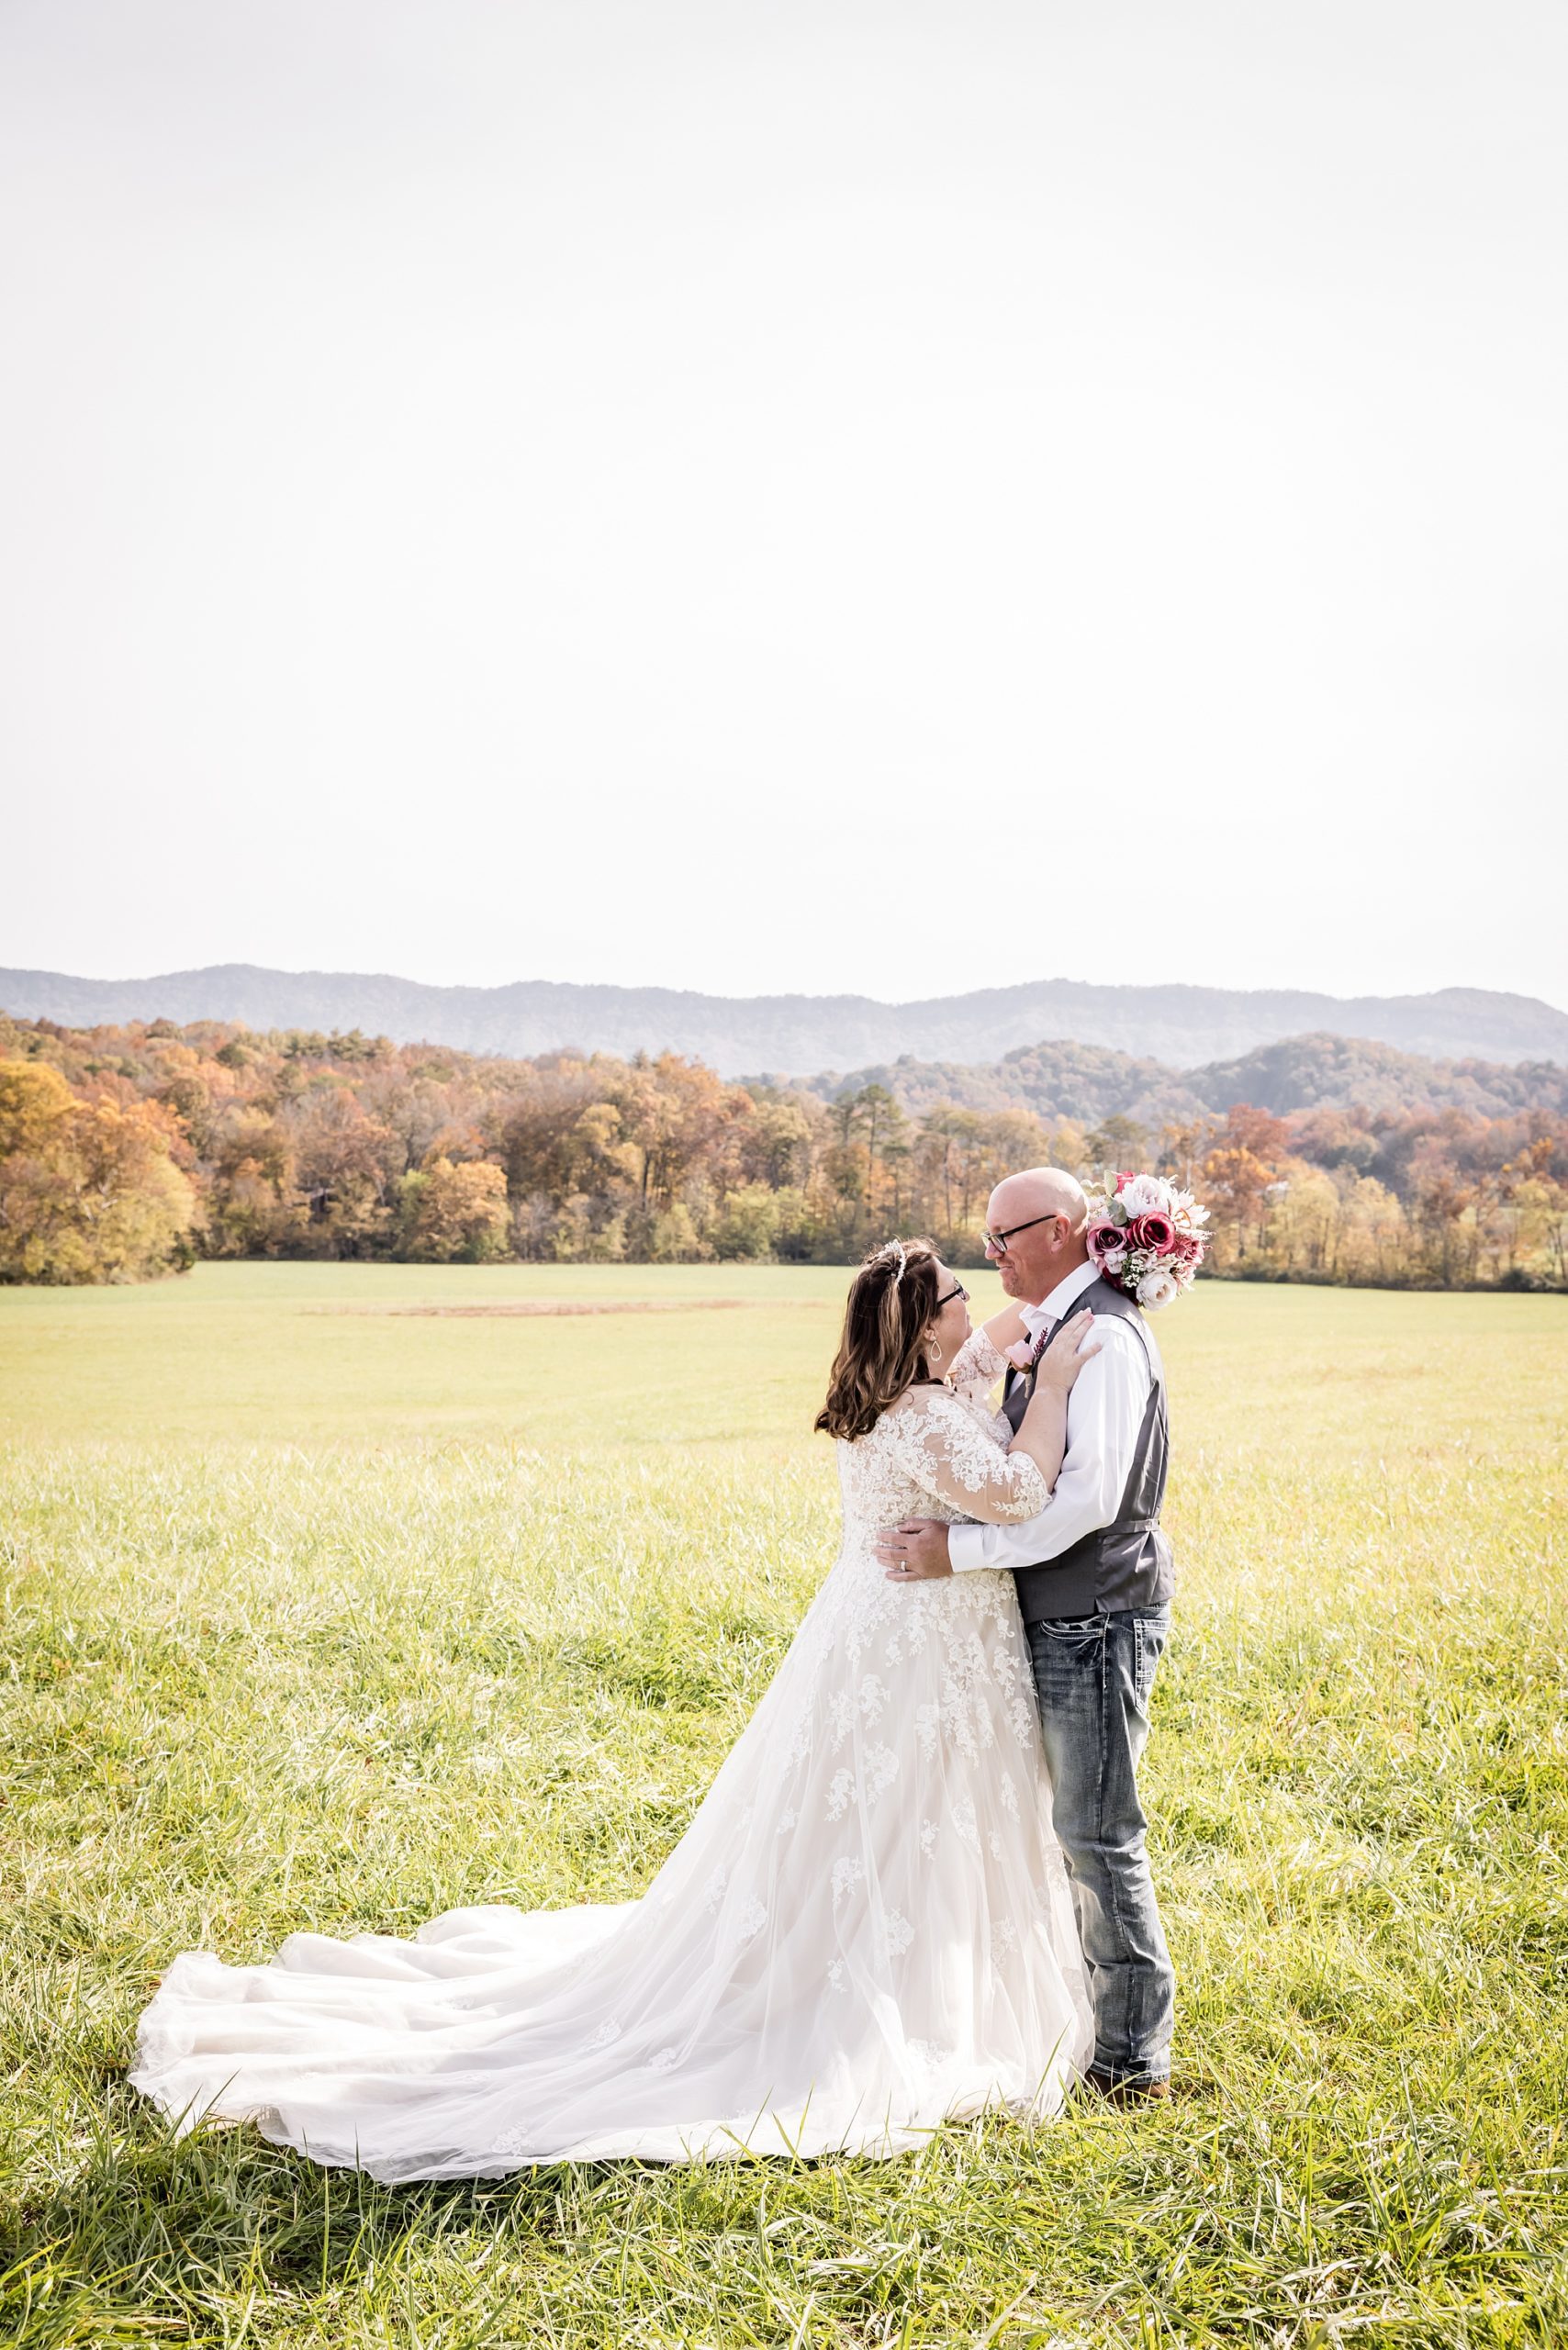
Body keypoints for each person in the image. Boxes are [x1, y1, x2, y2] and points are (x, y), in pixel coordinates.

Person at [129, 1240, 1103, 2178]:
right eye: (956, 1293)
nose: (974, 1303)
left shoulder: (915, 1394)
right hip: (920, 1641)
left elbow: (984, 1351)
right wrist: (1052, 1387)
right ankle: (880, 1992)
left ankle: (903, 1962)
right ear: (923, 1325)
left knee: (905, 1815)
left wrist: (1107, 1262)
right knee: (908, 1812)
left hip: (902, 1627)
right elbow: (1017, 1492)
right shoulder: (924, 1416)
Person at [876, 1169, 1177, 2101]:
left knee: (1095, 1832)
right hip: (1058, 1613)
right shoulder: (1055, 1327)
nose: (990, 1251)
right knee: (1067, 1828)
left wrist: (959, 1551)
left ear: (1063, 1230)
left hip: (1095, 1613)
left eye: (1002, 1235)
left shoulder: (1106, 1340)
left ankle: (1131, 2062)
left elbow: (1085, 1498)